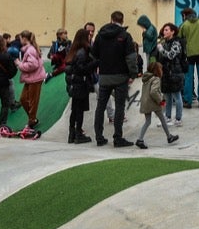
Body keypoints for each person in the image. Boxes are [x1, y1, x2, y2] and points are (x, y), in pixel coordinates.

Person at [91, 11, 137, 147]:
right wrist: (133, 74)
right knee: (120, 107)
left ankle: (99, 137)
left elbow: (94, 55)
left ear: (111, 19)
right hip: (120, 77)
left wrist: (101, 65)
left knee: (100, 106)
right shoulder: (125, 35)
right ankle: (118, 138)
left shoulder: (101, 35)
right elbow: (131, 58)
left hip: (104, 76)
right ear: (122, 21)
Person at [134, 58, 178, 149]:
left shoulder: (147, 78)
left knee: (148, 121)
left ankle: (140, 139)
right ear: (157, 70)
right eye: (160, 69)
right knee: (162, 119)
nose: (161, 70)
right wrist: (160, 100)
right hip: (153, 103)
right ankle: (169, 137)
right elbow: (154, 92)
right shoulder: (156, 79)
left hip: (145, 103)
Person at [63, 27, 96, 144]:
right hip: (81, 84)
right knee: (79, 110)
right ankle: (78, 134)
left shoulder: (73, 51)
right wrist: (94, 64)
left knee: (75, 109)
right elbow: (82, 69)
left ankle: (72, 133)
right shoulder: (82, 52)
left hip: (74, 84)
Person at [178, 7, 199, 109]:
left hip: (189, 55)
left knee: (188, 78)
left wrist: (184, 51)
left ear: (185, 15)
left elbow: (179, 39)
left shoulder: (184, 25)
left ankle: (187, 101)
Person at [155, 22, 186, 125]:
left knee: (177, 96)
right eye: (164, 30)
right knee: (167, 96)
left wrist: (161, 49)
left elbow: (170, 56)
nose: (165, 31)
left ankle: (178, 119)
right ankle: (167, 117)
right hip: (166, 72)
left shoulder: (176, 43)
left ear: (173, 32)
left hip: (175, 72)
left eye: (167, 30)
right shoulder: (164, 42)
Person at [15, 30, 46, 133]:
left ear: (24, 39)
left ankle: (31, 121)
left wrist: (20, 64)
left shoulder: (30, 50)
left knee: (33, 101)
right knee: (23, 99)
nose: (19, 40)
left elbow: (33, 65)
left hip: (35, 79)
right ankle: (33, 119)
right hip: (31, 78)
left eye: (20, 38)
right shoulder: (29, 49)